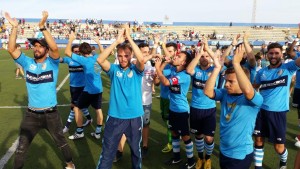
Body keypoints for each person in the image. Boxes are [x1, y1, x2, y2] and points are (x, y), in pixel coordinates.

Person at [5, 11, 75, 169]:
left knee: (61, 143)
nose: (36, 48)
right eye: (35, 46)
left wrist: (43, 27)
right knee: (21, 148)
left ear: (46, 50)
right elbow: (11, 49)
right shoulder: (27, 62)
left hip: (51, 114)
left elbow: (55, 48)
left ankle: (70, 164)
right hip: (31, 114)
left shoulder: (53, 63)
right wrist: (15, 27)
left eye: (40, 46)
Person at [204, 45, 263, 169]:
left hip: (240, 154)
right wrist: (217, 68)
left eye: (231, 82)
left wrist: (236, 63)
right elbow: (208, 92)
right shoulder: (225, 94)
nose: (226, 85)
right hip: (224, 150)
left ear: (242, 81)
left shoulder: (254, 99)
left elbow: (247, 90)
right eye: (226, 81)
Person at [96, 25, 144, 169]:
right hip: (115, 117)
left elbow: (141, 60)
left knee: (136, 151)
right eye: (120, 56)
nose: (123, 59)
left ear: (131, 56)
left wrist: (129, 38)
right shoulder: (113, 70)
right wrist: (117, 42)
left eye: (127, 55)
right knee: (108, 152)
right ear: (117, 56)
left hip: (135, 117)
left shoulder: (136, 70)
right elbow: (100, 59)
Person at [253, 42, 300, 169]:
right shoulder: (261, 72)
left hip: (278, 113)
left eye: (276, 53)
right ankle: (258, 167)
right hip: (260, 111)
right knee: (258, 140)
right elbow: (253, 88)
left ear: (281, 55)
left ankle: (283, 161)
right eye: (271, 53)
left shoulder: (288, 67)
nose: (273, 56)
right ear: (267, 54)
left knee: (278, 147)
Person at [155, 49, 194, 168]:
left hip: (181, 110)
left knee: (185, 136)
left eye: (179, 56)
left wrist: (157, 68)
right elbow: (158, 76)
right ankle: (176, 158)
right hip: (173, 109)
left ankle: (191, 161)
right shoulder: (173, 71)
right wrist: (164, 63)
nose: (175, 57)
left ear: (183, 63)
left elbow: (166, 83)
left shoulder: (184, 76)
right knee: (174, 133)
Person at [186, 37, 218, 169]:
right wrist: (199, 53)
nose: (204, 58)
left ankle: (208, 158)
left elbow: (218, 64)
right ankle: (200, 158)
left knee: (209, 138)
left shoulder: (215, 70)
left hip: (210, 108)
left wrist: (207, 48)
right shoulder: (196, 70)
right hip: (195, 108)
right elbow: (188, 70)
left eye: (206, 56)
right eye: (202, 56)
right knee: (198, 136)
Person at [65, 32, 104, 140]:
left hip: (88, 90)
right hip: (99, 89)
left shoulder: (83, 59)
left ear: (81, 52)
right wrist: (98, 42)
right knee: (98, 109)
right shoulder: (97, 57)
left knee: (77, 108)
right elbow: (104, 52)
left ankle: (79, 131)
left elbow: (67, 52)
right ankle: (98, 132)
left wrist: (71, 39)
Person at [60, 44, 93, 133]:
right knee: (80, 106)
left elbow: (96, 64)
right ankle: (90, 119)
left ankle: (67, 126)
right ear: (72, 52)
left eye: (78, 51)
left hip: (83, 87)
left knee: (74, 107)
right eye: (75, 51)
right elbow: (59, 59)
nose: (77, 53)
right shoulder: (69, 59)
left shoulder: (84, 60)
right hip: (73, 87)